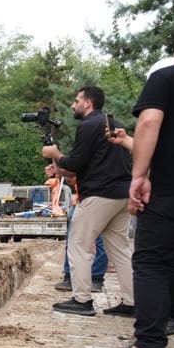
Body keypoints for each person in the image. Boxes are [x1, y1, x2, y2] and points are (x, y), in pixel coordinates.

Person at [105, 31, 174, 348]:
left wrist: (139, 176)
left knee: (152, 261)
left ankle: (149, 342)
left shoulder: (168, 77)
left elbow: (150, 121)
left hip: (172, 189)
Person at [42, 85, 134, 317]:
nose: (73, 105)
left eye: (76, 100)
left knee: (78, 245)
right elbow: (93, 164)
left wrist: (54, 153)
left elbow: (75, 162)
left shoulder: (88, 125)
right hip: (122, 194)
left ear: (88, 103)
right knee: (121, 250)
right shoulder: (115, 123)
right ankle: (133, 302)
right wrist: (61, 172)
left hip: (99, 195)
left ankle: (82, 300)